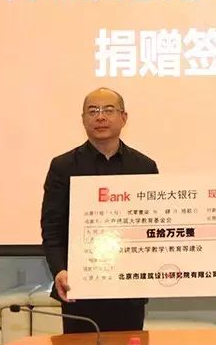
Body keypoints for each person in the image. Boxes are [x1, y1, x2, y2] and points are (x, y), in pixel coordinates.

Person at [41, 87, 158, 332]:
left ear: (123, 117)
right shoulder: (63, 166)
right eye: (93, 111)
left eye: (108, 110)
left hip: (129, 288)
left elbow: (153, 226)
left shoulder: (144, 166)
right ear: (83, 119)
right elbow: (52, 227)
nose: (100, 117)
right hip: (78, 289)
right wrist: (60, 270)